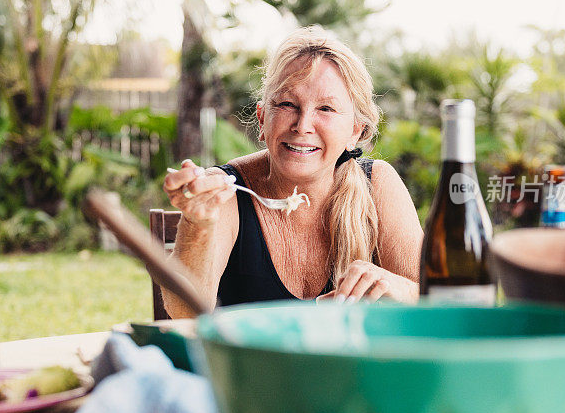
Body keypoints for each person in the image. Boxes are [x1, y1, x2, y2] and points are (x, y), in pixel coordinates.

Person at [162, 26, 422, 318]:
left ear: (355, 131)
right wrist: (198, 224)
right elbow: (184, 311)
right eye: (287, 104)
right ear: (262, 119)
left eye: (325, 108)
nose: (302, 125)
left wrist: (398, 289)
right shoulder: (227, 192)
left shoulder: (378, 186)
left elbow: (438, 302)